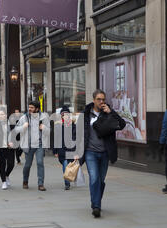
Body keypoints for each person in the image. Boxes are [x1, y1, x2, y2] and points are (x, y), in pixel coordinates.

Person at [81, 90, 126, 218]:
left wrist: (111, 113)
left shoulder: (108, 113)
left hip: (105, 152)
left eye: (103, 99)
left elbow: (122, 125)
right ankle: (96, 206)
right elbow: (78, 132)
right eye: (99, 99)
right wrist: (76, 152)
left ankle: (96, 202)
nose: (101, 102)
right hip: (90, 152)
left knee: (101, 180)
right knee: (94, 178)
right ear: (94, 100)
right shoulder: (85, 114)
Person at [15, 101, 50, 191]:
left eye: (32, 107)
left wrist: (44, 128)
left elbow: (49, 131)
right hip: (28, 145)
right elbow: (16, 129)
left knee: (40, 163)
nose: (29, 109)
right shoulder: (24, 118)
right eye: (29, 107)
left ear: (37, 109)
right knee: (27, 165)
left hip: (40, 145)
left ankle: (40, 184)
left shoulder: (44, 117)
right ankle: (25, 181)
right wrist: (23, 127)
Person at [53, 106, 78, 190]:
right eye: (63, 114)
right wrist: (55, 151)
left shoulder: (74, 126)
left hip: (71, 150)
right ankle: (67, 183)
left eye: (67, 114)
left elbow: (76, 138)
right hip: (62, 150)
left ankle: (70, 178)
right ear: (61, 116)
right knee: (65, 165)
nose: (65, 116)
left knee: (70, 165)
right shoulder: (58, 126)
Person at [0, 110, 15, 190]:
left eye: (3, 114)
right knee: (2, 165)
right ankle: (3, 182)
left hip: (10, 147)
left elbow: (16, 134)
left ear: (6, 115)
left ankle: (6, 175)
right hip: (0, 148)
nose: (1, 116)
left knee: (11, 164)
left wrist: (13, 142)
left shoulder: (11, 124)